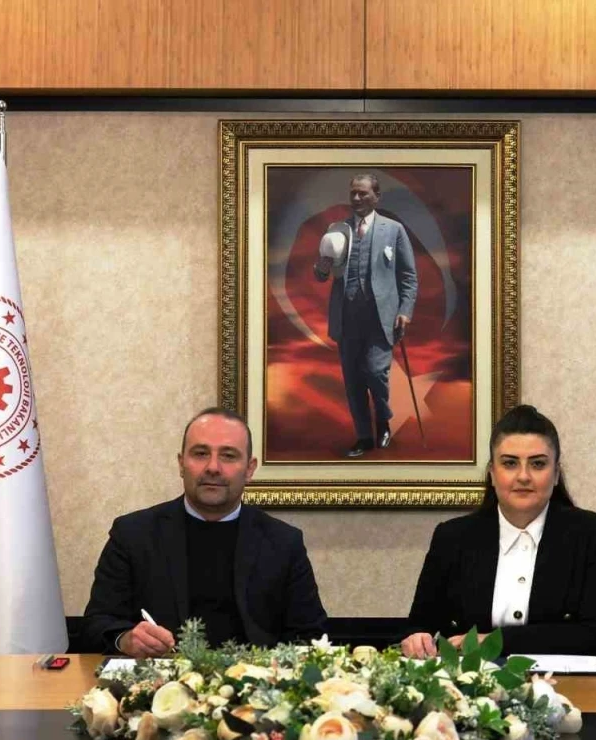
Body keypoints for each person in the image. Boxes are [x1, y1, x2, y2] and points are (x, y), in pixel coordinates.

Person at [82, 407, 328, 656]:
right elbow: (96, 624)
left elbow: (310, 635)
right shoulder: (133, 534)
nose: (213, 467)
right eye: (200, 454)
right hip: (161, 677)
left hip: (255, 677)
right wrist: (125, 639)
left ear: (250, 469)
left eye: (228, 456)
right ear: (181, 464)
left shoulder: (284, 542)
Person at [401, 404, 596, 658]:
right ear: (492, 473)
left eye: (538, 464)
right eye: (509, 463)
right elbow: (420, 625)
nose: (523, 476)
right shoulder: (452, 538)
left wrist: (497, 642)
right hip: (470, 680)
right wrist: (417, 639)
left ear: (555, 475)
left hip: (568, 680)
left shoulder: (592, 534)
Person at [313, 173, 418, 457]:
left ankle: (383, 420)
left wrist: (405, 311)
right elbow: (321, 275)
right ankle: (363, 436)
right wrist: (322, 266)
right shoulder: (337, 229)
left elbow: (408, 276)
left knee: (375, 372)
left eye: (363, 193)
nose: (357, 198)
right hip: (347, 317)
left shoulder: (393, 230)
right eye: (353, 193)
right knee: (353, 380)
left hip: (380, 318)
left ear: (376, 197)